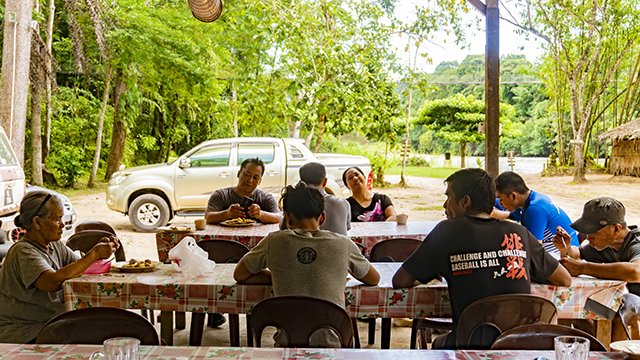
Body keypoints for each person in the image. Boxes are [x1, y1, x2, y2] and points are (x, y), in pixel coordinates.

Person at [392, 168, 571, 349]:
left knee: (439, 343)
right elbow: (564, 278)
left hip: (469, 343)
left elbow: (400, 281)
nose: (445, 206)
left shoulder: (446, 232)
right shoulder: (519, 233)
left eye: (448, 198)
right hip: (519, 345)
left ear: (465, 201)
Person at [234, 182, 380, 346]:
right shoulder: (343, 244)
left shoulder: (273, 241)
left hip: (287, 343)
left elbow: (239, 274)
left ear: (287, 217)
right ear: (323, 217)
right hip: (334, 344)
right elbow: (374, 279)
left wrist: (279, 275)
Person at [0, 191, 119, 343]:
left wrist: (98, 251)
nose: (62, 224)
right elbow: (51, 282)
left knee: (107, 326)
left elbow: (79, 268)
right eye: (57, 219)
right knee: (97, 335)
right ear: (37, 222)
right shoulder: (23, 251)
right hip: (24, 331)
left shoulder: (53, 245)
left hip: (50, 324)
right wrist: (94, 254)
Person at [553, 197, 640, 338]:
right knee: (578, 311)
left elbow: (636, 272)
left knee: (626, 304)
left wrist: (584, 268)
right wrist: (566, 248)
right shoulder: (607, 245)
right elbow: (578, 253)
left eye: (593, 232)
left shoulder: (636, 244)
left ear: (616, 229)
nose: (588, 237)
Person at [495, 171, 579, 256]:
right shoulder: (532, 199)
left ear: (513, 196)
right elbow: (509, 215)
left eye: (500, 199)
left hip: (564, 255)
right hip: (569, 248)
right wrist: (490, 212)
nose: (500, 203)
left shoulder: (534, 209)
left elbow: (534, 250)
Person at [280, 162, 351, 235]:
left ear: (301, 182)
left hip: (304, 245)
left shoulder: (295, 203)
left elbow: (283, 227)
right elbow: (347, 227)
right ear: (325, 182)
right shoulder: (343, 203)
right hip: (339, 245)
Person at [205, 158, 282, 225]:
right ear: (238, 174)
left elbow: (279, 217)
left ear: (259, 181)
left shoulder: (265, 198)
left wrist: (260, 214)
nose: (250, 180)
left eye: (255, 177)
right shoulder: (221, 195)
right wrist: (227, 214)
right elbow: (207, 217)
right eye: (247, 175)